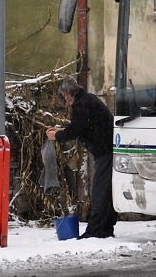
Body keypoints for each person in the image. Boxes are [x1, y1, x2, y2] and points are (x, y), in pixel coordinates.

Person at [46, 77, 118, 239]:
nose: (66, 101)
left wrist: (56, 136)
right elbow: (81, 127)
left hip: (105, 151)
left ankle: (97, 230)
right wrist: (60, 130)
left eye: (65, 97)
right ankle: (105, 229)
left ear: (68, 94)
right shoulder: (88, 100)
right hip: (107, 149)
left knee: (100, 191)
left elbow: (75, 130)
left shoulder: (82, 104)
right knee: (105, 190)